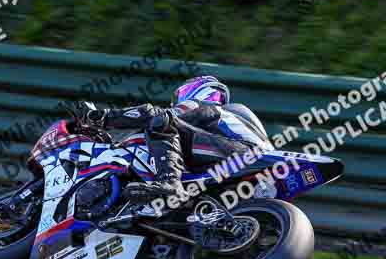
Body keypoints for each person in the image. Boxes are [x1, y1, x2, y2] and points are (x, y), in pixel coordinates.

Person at [82, 75, 270, 213]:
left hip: (238, 153)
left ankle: (169, 181)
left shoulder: (204, 106)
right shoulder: (230, 119)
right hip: (238, 163)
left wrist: (103, 118)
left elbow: (158, 116)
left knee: (160, 119)